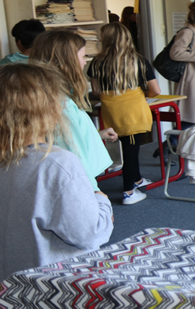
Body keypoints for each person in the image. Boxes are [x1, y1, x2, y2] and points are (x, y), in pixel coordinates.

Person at [0, 63, 113, 291]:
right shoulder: (55, 164)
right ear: (45, 110)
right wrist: (101, 201)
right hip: (51, 291)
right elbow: (90, 233)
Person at [29, 30, 124, 192]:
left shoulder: (46, 96)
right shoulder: (62, 105)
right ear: (68, 61)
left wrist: (97, 134)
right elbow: (75, 154)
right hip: (79, 182)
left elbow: (65, 138)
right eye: (83, 56)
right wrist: (95, 191)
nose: (85, 62)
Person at [88, 23, 162, 205]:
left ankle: (137, 179)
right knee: (131, 152)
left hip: (111, 112)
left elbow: (96, 91)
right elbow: (156, 90)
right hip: (134, 112)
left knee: (129, 148)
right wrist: (142, 94)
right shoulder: (138, 61)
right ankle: (128, 192)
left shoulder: (96, 63)